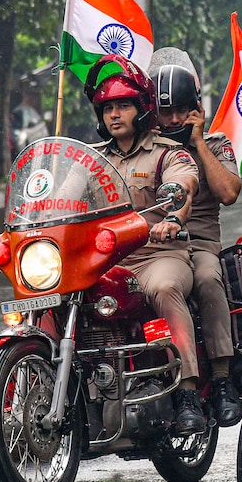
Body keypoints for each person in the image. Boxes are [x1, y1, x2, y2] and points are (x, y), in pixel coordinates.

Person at [84, 54, 207, 434]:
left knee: (166, 288)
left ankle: (187, 391)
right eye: (108, 108)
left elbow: (184, 184)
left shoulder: (167, 152)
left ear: (141, 110)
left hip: (157, 255)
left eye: (123, 106)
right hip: (106, 262)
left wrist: (172, 218)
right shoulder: (90, 161)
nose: (114, 115)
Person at [150, 47, 242, 427]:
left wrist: (199, 140)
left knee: (207, 278)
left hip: (199, 242)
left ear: (195, 108)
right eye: (165, 111)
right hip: (151, 246)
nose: (173, 119)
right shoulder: (144, 147)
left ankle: (222, 379)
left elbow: (229, 193)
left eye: (181, 110)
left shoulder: (216, 143)